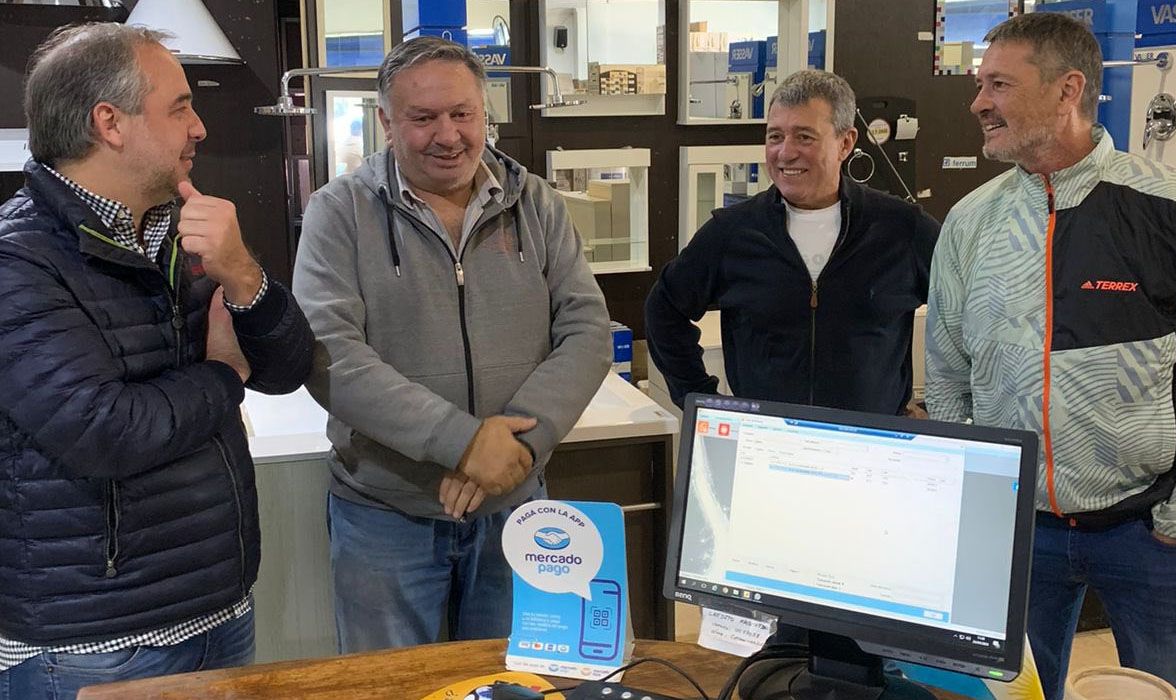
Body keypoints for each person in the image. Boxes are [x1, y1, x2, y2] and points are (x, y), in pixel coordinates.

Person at [0, 23, 314, 698]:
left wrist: (242, 274)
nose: (198, 128)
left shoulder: (182, 228)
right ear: (109, 123)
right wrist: (225, 375)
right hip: (96, 644)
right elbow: (106, 430)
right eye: (178, 107)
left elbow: (288, 369)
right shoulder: (17, 261)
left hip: (216, 610)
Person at [292, 37, 611, 653]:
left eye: (462, 113)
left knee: (514, 683)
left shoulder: (536, 204)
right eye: (423, 118)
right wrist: (463, 443)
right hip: (386, 516)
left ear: (484, 111)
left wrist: (509, 449)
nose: (449, 135)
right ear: (386, 121)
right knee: (389, 691)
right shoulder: (338, 213)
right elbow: (329, 354)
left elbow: (587, 330)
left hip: (515, 508)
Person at [925, 13, 1176, 700]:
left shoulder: (1174, 206)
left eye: (998, 85)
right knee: (1000, 695)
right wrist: (980, 510)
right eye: (980, 85)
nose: (978, 103)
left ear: (1066, 90)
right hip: (1017, 532)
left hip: (1148, 530)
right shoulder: (971, 222)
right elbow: (950, 378)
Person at [645, 70, 939, 414]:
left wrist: (941, 407)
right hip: (767, 447)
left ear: (846, 143)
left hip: (869, 450)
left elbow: (970, 317)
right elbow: (663, 309)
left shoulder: (901, 230)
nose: (785, 153)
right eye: (775, 136)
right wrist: (700, 398)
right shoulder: (732, 233)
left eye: (804, 137)